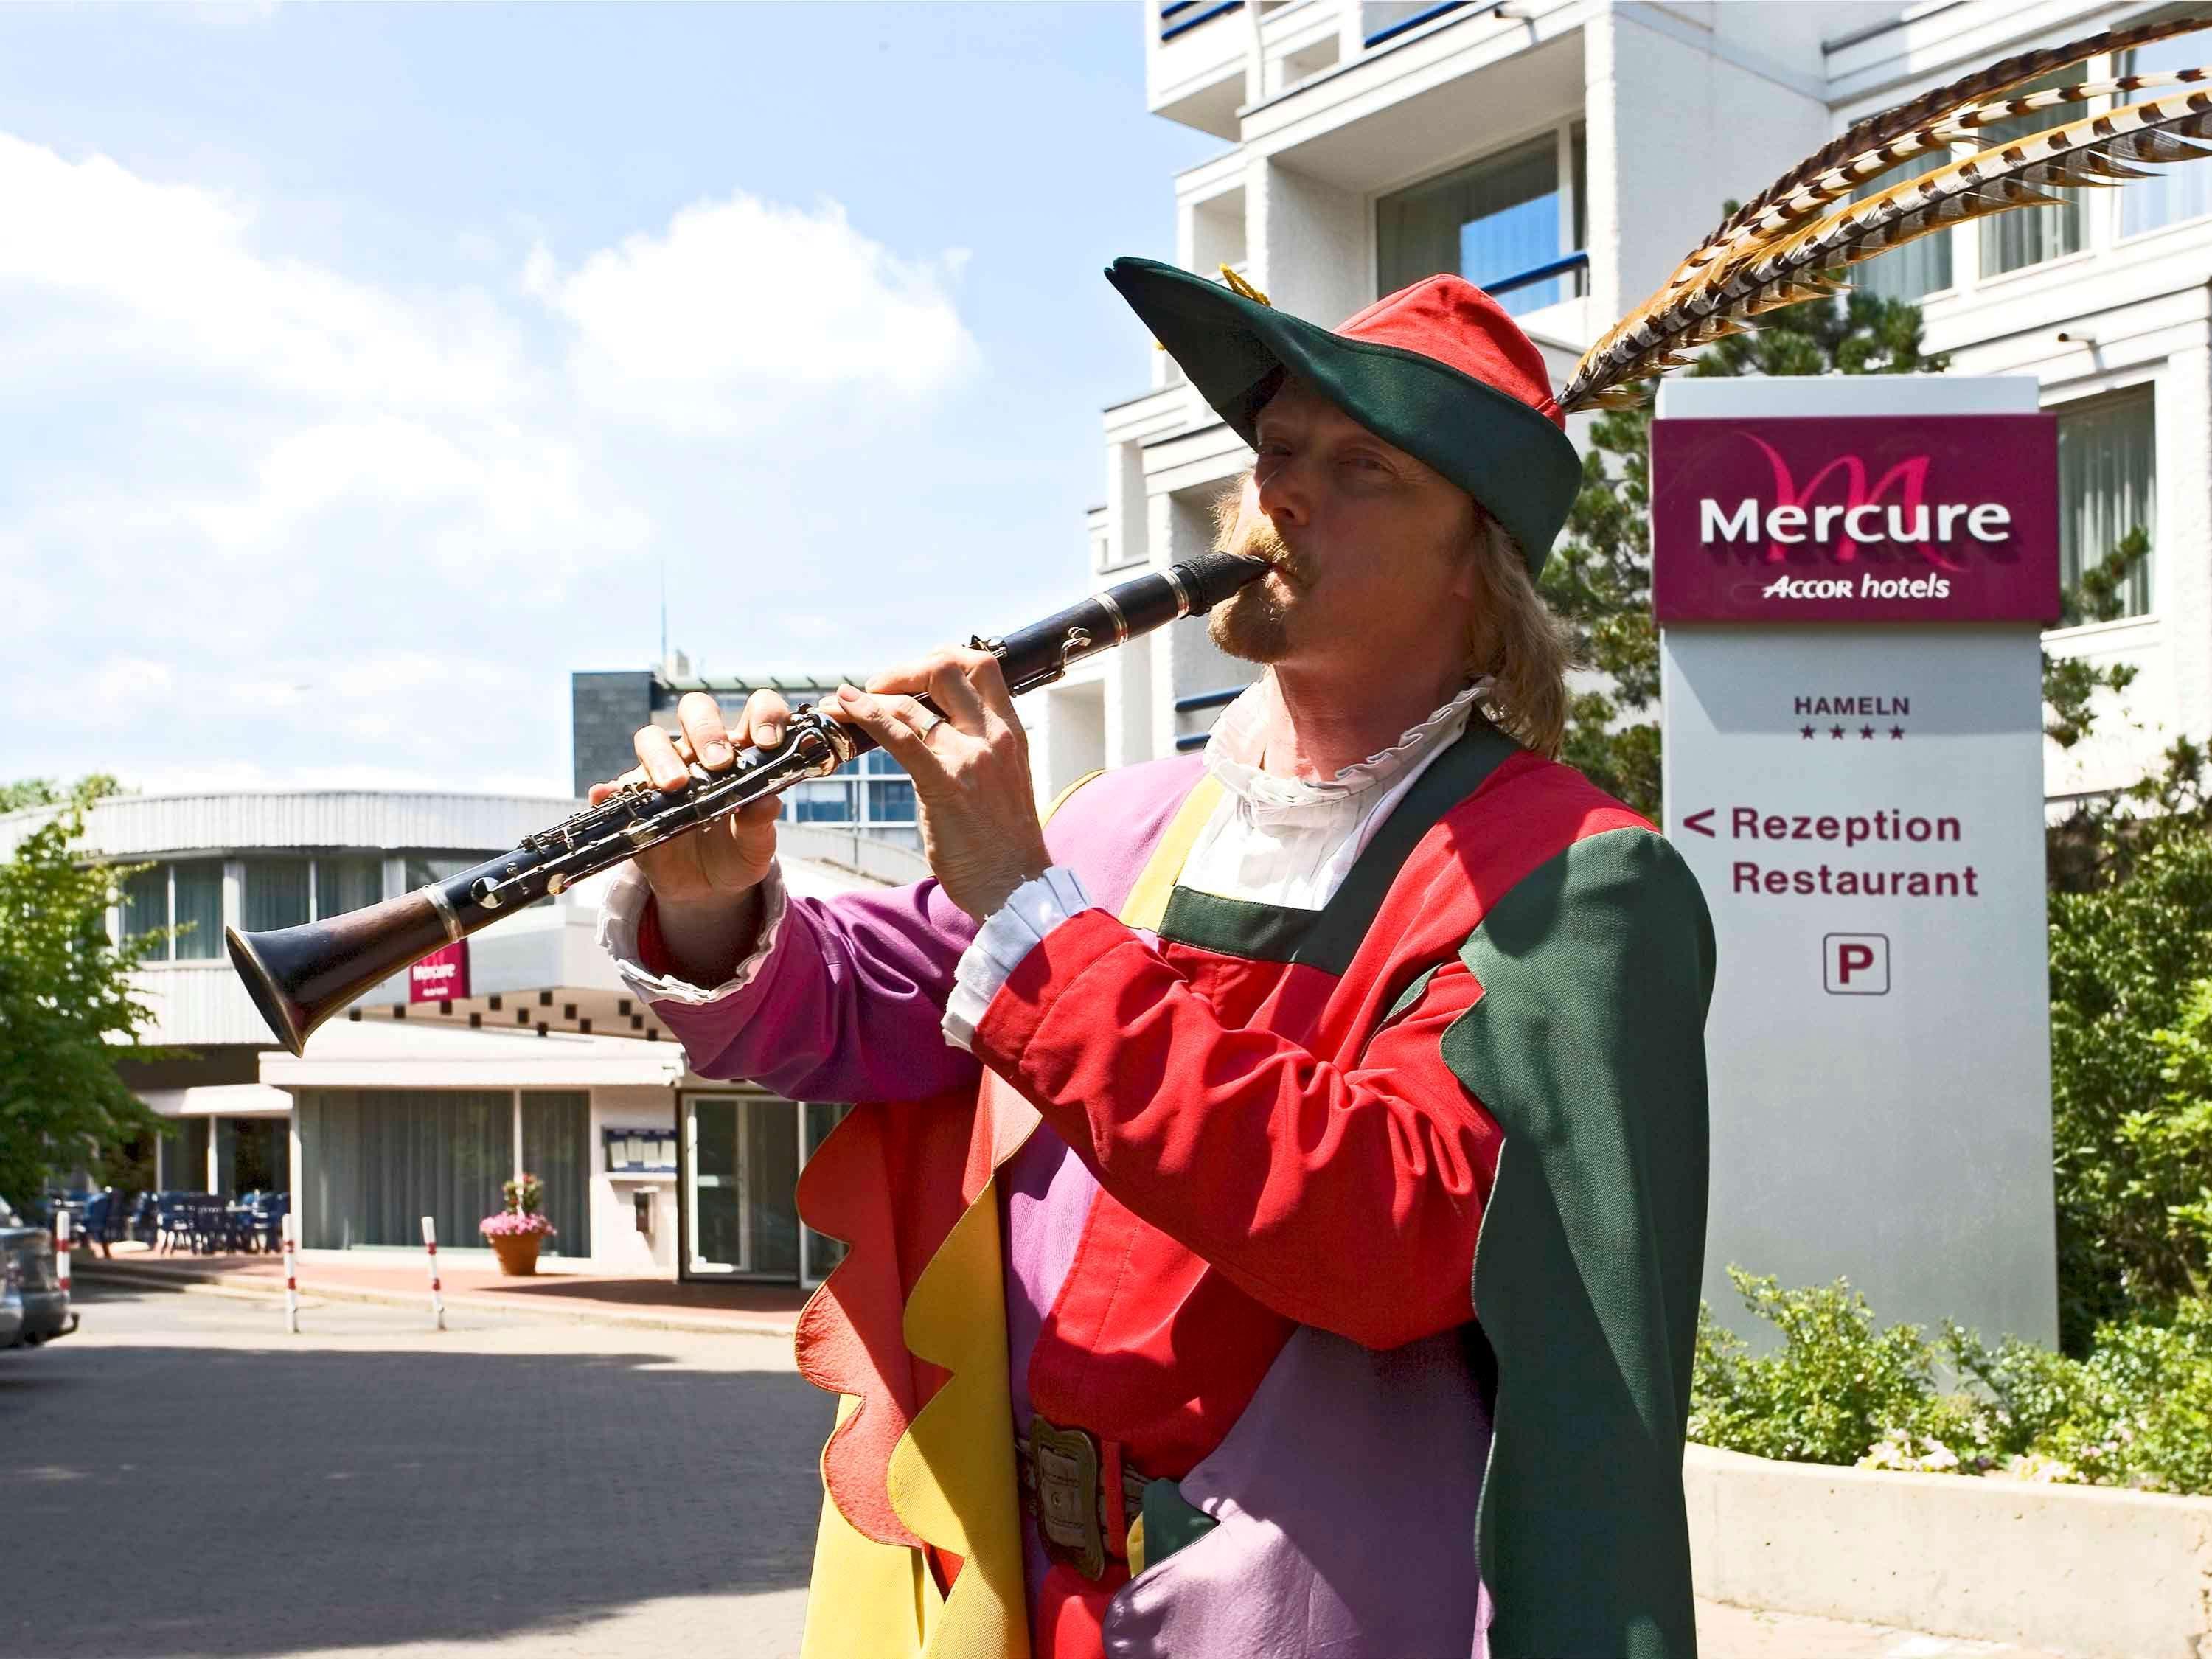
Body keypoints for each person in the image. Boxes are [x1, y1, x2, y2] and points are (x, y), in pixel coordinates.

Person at [595, 257, 1715, 1658]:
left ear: (1476, 555)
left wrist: (1031, 914)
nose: (1278, 497)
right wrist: (715, 899)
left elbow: (1390, 1230)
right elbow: (862, 1008)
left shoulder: (1574, 876)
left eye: (1358, 465)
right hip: (1025, 1594)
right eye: (1277, 450)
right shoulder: (1128, 816)